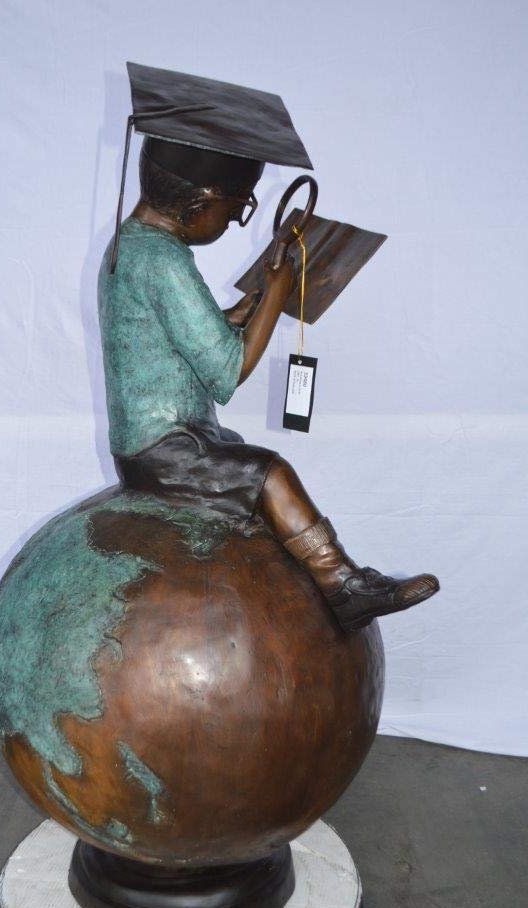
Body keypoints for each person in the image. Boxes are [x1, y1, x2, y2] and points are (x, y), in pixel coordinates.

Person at [98, 66, 439, 631]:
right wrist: (277, 293)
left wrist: (239, 312)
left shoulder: (133, 246)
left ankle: (336, 579)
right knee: (270, 473)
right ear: (199, 203)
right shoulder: (163, 260)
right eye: (235, 209)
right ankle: (342, 583)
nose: (236, 220)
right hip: (162, 449)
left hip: (163, 439)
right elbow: (227, 373)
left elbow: (182, 330)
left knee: (242, 461)